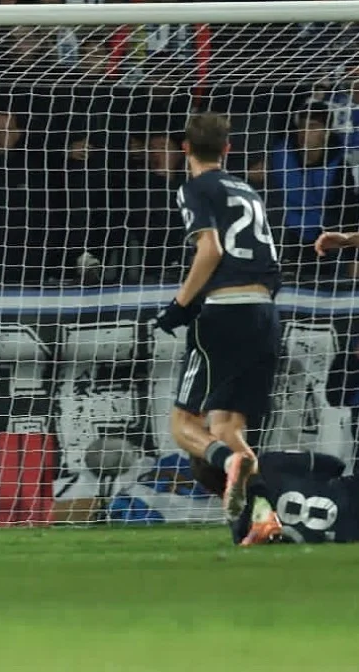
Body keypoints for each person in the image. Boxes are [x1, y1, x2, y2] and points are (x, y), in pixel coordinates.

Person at [156, 112, 282, 526]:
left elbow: (209, 250)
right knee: (229, 426)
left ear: (185, 148)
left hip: (225, 311)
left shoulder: (195, 187)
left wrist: (179, 305)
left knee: (183, 424)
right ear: (228, 149)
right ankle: (261, 519)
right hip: (265, 311)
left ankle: (230, 464)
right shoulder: (247, 189)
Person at [190, 452, 358, 546]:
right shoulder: (268, 462)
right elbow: (336, 465)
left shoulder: (240, 527)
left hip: (345, 536)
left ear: (210, 488)